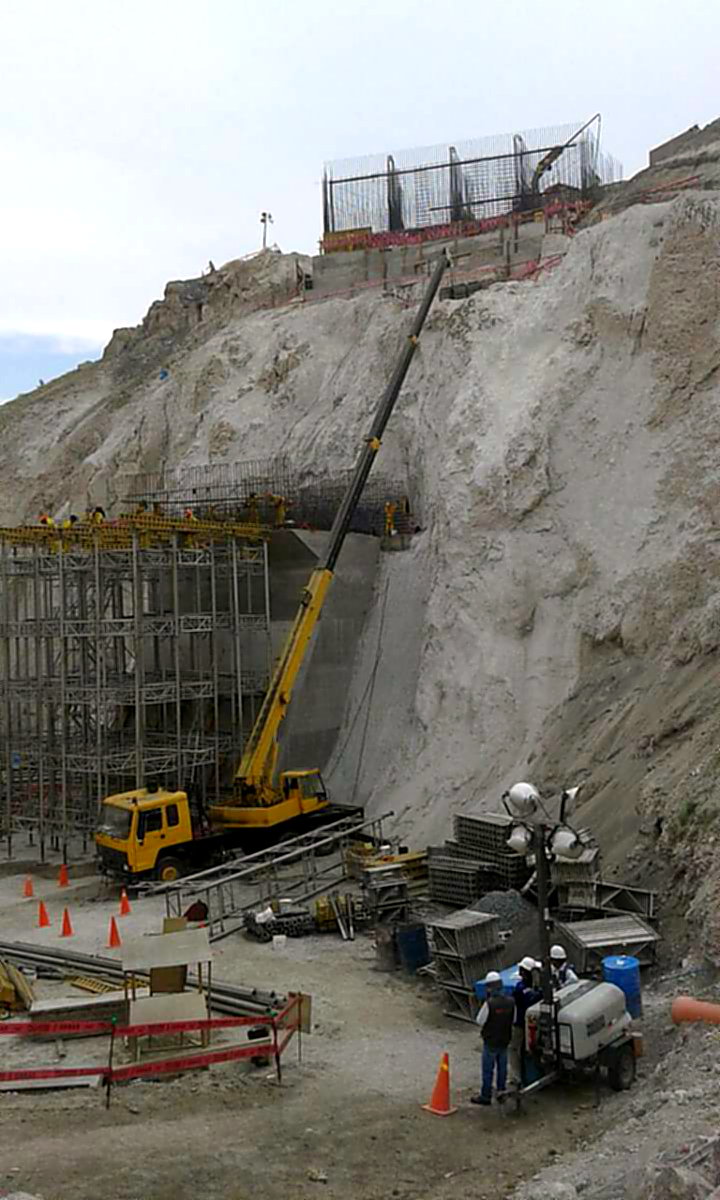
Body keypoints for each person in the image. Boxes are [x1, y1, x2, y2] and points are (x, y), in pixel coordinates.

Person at [472, 970, 514, 1106]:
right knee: (503, 1069)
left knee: (488, 1070)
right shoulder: (511, 1002)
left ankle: (486, 1096)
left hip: (491, 1041)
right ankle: (501, 1092)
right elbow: (513, 1020)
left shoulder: (489, 1004)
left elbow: (479, 1020)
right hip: (504, 1040)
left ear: (489, 988)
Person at [509, 957, 542, 1087]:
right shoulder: (536, 989)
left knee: (514, 1049)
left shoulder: (521, 988)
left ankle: (517, 1077)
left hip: (521, 1024)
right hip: (533, 1024)